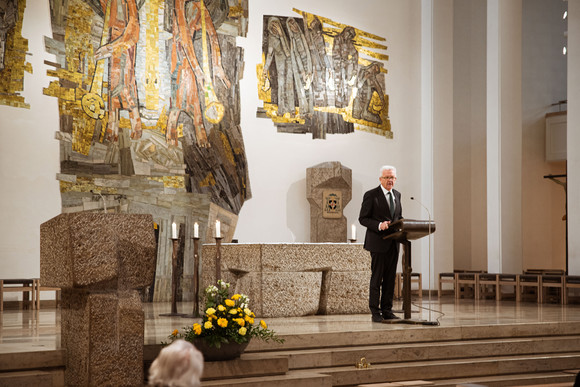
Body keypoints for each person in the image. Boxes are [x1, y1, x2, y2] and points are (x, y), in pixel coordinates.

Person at [359, 165, 403, 322]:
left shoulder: (397, 195)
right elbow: (363, 218)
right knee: (377, 278)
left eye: (392, 177)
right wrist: (379, 225)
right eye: (387, 177)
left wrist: (400, 225)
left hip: (394, 243)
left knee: (390, 279)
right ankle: (375, 312)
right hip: (378, 243)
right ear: (380, 179)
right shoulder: (371, 195)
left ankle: (387, 310)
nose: (390, 180)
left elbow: (398, 216)